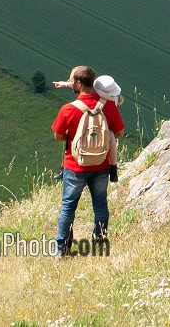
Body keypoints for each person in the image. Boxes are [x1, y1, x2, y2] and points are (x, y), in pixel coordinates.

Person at [51, 64, 124, 255]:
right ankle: (99, 244)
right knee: (100, 204)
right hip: (101, 165)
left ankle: (62, 249)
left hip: (75, 166)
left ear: (78, 83)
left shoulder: (69, 109)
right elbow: (120, 132)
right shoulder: (107, 106)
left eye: (71, 80)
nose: (70, 83)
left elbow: (58, 136)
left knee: (68, 207)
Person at [52, 73, 123, 180]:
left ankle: (63, 168)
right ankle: (113, 168)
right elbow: (120, 132)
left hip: (76, 164)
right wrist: (65, 84)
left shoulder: (110, 99)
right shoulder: (110, 99)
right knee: (111, 138)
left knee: (74, 134)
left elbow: (82, 86)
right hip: (103, 135)